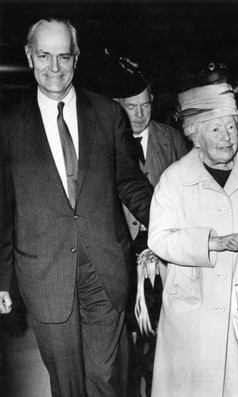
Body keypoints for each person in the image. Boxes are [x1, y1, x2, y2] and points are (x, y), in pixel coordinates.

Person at [0, 18, 153, 396]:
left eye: (63, 56)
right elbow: (3, 209)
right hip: (45, 271)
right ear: (29, 56)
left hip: (104, 266)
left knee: (107, 379)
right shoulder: (8, 127)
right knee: (67, 386)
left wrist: (172, 227)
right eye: (44, 56)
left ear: (76, 57)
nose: (54, 68)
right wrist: (1, 279)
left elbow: (130, 183)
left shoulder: (106, 114)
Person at [147, 82, 238, 396]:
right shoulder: (174, 180)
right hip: (192, 305)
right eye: (215, 130)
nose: (227, 136)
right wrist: (213, 243)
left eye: (230, 127)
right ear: (195, 136)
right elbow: (159, 238)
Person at [109, 57, 189, 397]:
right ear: (117, 107)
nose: (140, 114)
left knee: (160, 329)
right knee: (128, 332)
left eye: (145, 105)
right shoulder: (108, 141)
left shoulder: (171, 140)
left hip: (162, 249)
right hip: (123, 250)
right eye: (131, 107)